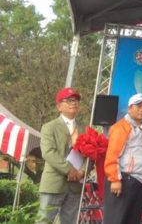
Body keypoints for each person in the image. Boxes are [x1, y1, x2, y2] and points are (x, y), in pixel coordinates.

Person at [103, 93, 142, 224]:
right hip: (125, 180)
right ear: (129, 108)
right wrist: (115, 180)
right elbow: (112, 155)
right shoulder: (121, 127)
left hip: (140, 181)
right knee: (117, 219)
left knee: (132, 219)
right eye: (138, 106)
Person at [37, 87, 86, 224]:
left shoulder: (85, 129)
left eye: (76, 100)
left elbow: (91, 155)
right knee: (44, 221)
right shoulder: (49, 127)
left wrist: (82, 171)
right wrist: (69, 170)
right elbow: (48, 152)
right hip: (53, 183)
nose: (73, 103)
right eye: (69, 100)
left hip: (75, 185)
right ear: (59, 106)